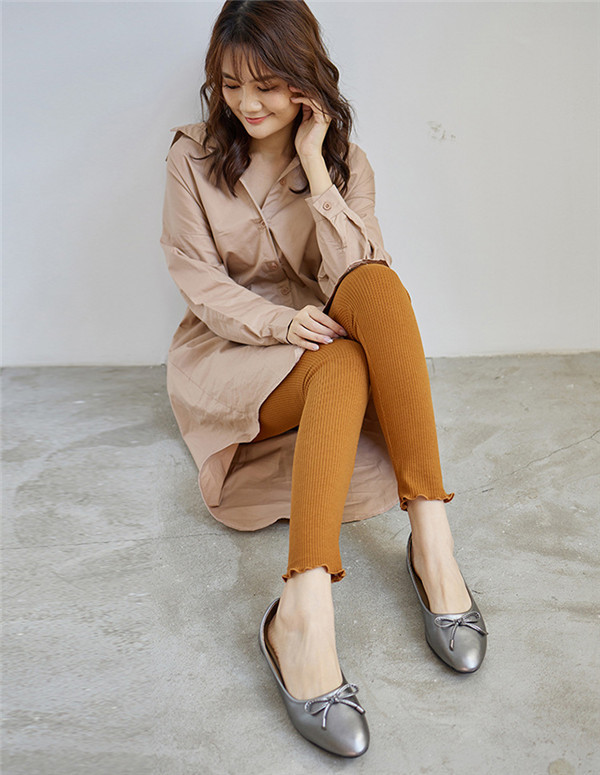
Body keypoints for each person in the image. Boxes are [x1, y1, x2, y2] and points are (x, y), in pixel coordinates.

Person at [160, 0, 488, 758]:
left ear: (304, 80)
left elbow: (355, 273)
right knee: (337, 353)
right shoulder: (190, 158)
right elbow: (198, 280)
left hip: (329, 352)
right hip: (234, 355)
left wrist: (314, 166)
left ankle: (428, 544)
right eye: (231, 84)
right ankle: (305, 621)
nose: (247, 104)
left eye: (267, 85)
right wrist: (281, 324)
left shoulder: (346, 164)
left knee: (375, 288)